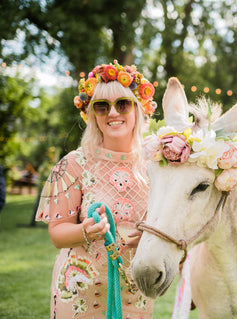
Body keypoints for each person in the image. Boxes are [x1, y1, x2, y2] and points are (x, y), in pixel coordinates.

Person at [36, 60, 157, 318]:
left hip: (135, 292)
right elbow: (57, 233)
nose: (113, 113)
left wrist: (151, 237)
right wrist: (85, 231)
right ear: (93, 115)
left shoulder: (155, 166)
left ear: (137, 109)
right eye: (102, 107)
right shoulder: (72, 165)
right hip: (80, 293)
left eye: (122, 104)